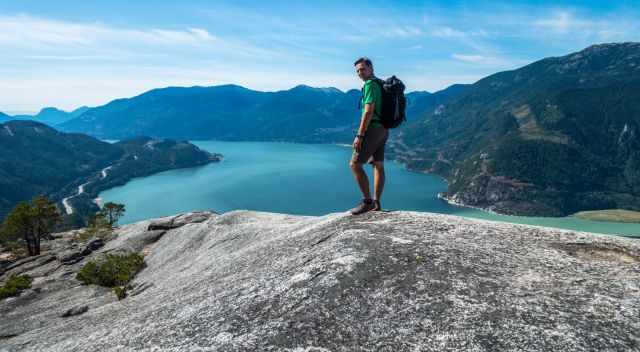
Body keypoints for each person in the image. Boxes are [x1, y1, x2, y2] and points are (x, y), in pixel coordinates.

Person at [349, 57, 389, 215]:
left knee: (355, 164)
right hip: (384, 129)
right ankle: (377, 203)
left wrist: (359, 134)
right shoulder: (380, 83)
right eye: (357, 71)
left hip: (372, 129)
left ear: (371, 68)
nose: (360, 73)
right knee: (378, 164)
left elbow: (368, 110)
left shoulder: (370, 85)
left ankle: (367, 202)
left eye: (363, 69)